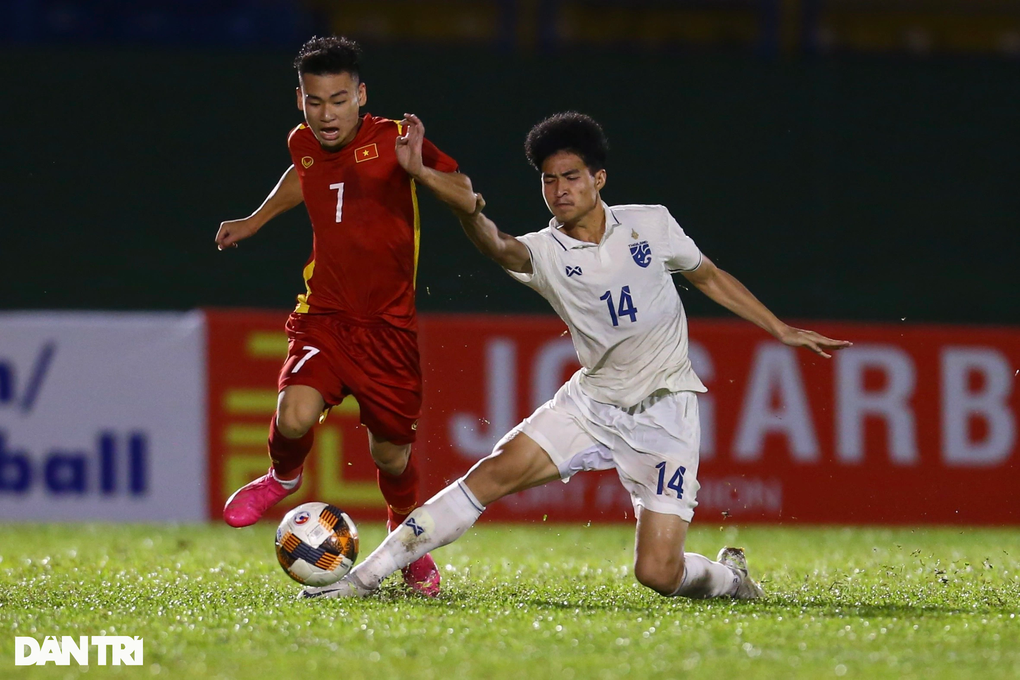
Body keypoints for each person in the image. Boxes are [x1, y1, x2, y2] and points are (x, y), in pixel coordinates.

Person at [301, 112, 850, 601]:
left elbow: (706, 275)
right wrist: (451, 196)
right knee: (487, 477)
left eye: (570, 177)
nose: (559, 190)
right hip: (591, 405)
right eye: (548, 180)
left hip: (666, 414)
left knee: (658, 573)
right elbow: (494, 242)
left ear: (598, 179)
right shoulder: (545, 251)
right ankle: (361, 579)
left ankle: (732, 581)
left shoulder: (651, 224)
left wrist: (778, 327)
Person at [214, 35, 477, 597]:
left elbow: (467, 196)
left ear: (361, 95)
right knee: (293, 415)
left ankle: (407, 543)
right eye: (314, 101)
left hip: (388, 330)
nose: (325, 114)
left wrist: (421, 171)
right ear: (300, 101)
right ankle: (283, 477)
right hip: (325, 315)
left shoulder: (396, 141)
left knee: (392, 454)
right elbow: (303, 175)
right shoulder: (302, 142)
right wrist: (255, 220)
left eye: (337, 100)